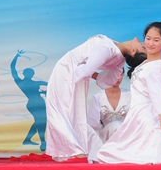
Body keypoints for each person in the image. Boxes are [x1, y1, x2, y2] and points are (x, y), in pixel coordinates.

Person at [96, 21, 161, 165]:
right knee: (135, 144)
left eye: (156, 40)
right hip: (137, 113)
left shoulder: (157, 66)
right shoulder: (145, 63)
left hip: (148, 112)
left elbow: (158, 93)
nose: (151, 43)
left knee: (160, 136)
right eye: (148, 38)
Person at [45, 33, 147, 162]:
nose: (143, 43)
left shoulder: (108, 49)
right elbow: (107, 80)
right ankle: (83, 151)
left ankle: (76, 151)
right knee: (71, 113)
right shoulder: (118, 57)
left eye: (143, 47)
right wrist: (89, 73)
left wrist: (79, 71)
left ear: (133, 51)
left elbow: (92, 73)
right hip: (74, 73)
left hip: (68, 71)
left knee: (60, 111)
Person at [11, 50, 48, 151]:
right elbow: (12, 69)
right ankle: (43, 141)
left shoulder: (24, 82)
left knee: (39, 121)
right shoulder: (29, 83)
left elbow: (50, 85)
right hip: (35, 103)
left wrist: (44, 92)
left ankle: (28, 139)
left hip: (36, 103)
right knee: (41, 122)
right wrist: (16, 56)